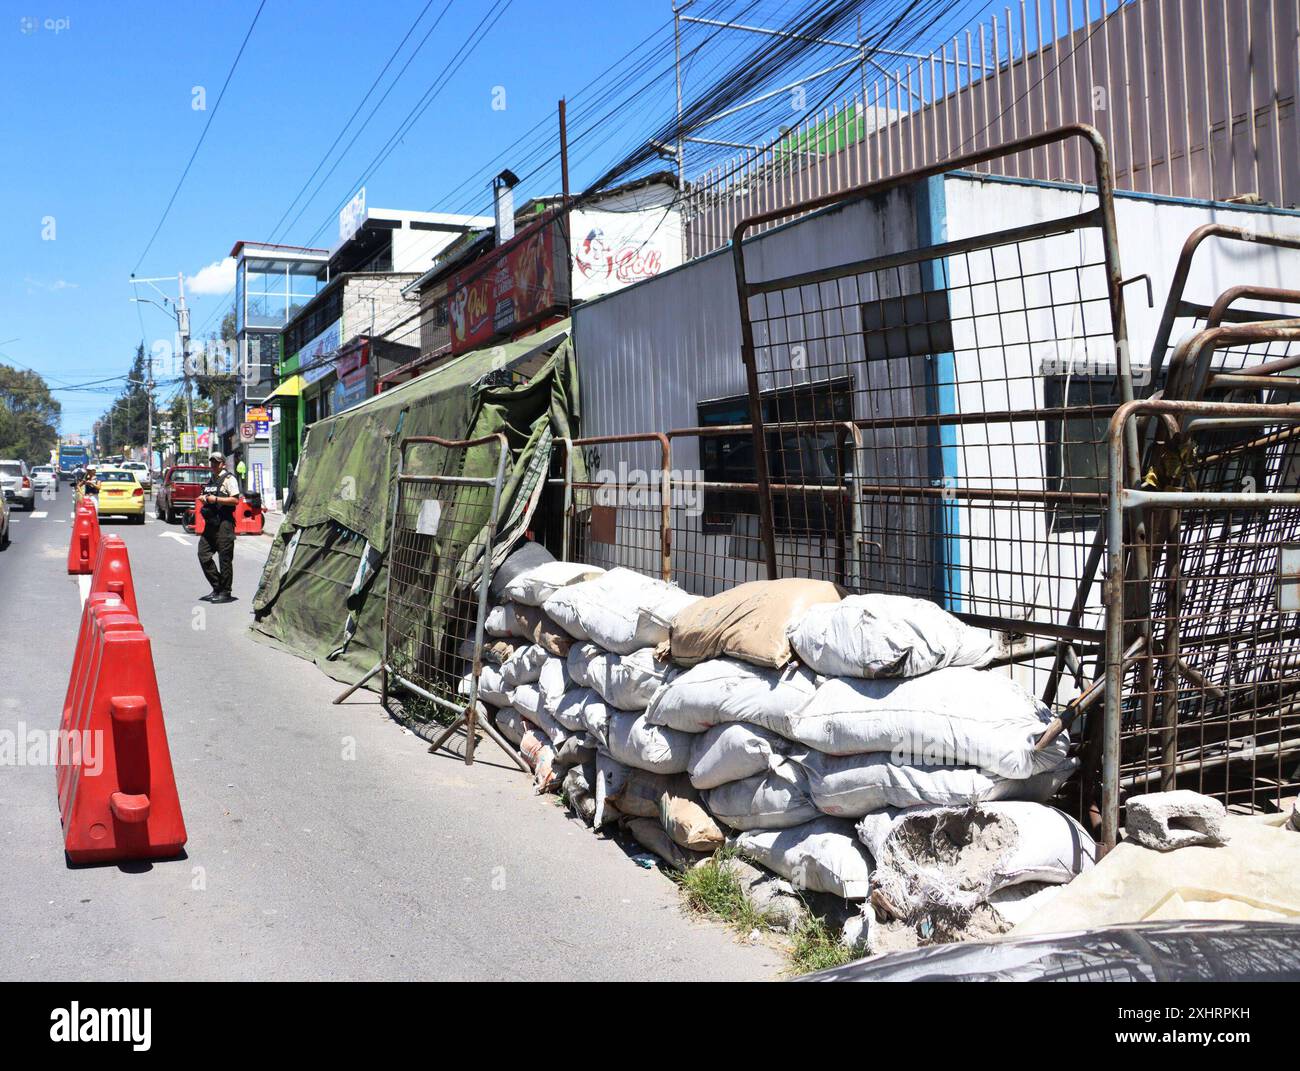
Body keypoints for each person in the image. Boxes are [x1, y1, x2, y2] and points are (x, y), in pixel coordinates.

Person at [197, 451, 240, 604]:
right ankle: (217, 587)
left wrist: (216, 499)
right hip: (211, 524)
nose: (214, 465)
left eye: (217, 462)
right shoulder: (211, 480)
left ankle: (226, 592)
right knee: (203, 554)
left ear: (223, 463)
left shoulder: (229, 479)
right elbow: (207, 496)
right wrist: (204, 498)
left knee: (225, 559)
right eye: (212, 462)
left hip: (224, 524)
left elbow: (235, 500)